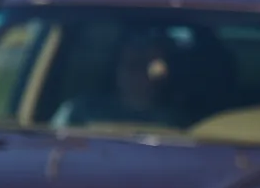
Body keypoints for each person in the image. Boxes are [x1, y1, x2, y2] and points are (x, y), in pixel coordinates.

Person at [52, 31, 181, 128]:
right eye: (133, 65)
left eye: (150, 67)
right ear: (116, 69)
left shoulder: (179, 126)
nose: (140, 74)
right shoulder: (78, 113)